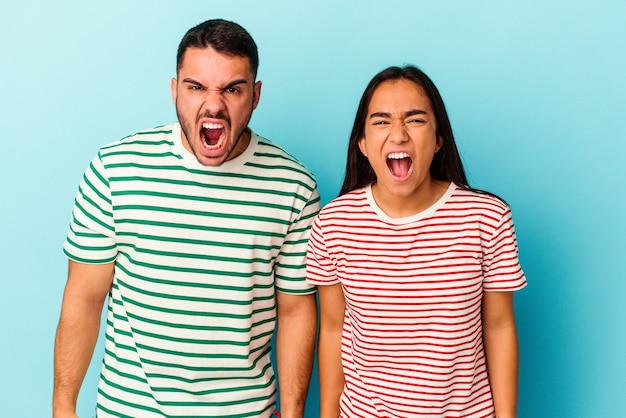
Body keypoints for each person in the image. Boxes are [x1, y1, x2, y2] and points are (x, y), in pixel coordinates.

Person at [53, 19, 320, 418]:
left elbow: (296, 310)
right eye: (196, 87)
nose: (214, 104)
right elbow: (85, 298)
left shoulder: (294, 186)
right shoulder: (114, 169)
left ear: (256, 95)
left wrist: (294, 413)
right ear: (175, 90)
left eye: (232, 88)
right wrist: (63, 408)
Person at [306, 65, 527, 418]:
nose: (398, 134)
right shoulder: (334, 224)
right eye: (381, 121)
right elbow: (333, 328)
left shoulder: (487, 218)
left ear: (439, 139)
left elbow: (499, 326)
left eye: (415, 120)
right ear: (362, 143)